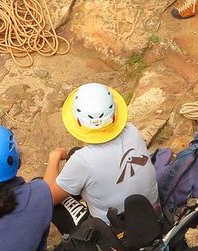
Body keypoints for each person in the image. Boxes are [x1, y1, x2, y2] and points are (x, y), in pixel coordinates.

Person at [43, 83, 158, 233]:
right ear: (115, 115)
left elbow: (46, 198)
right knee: (75, 158)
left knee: (41, 187)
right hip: (152, 213)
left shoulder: (82, 161)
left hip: (117, 231)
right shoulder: (132, 130)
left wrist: (54, 157)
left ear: (78, 122)